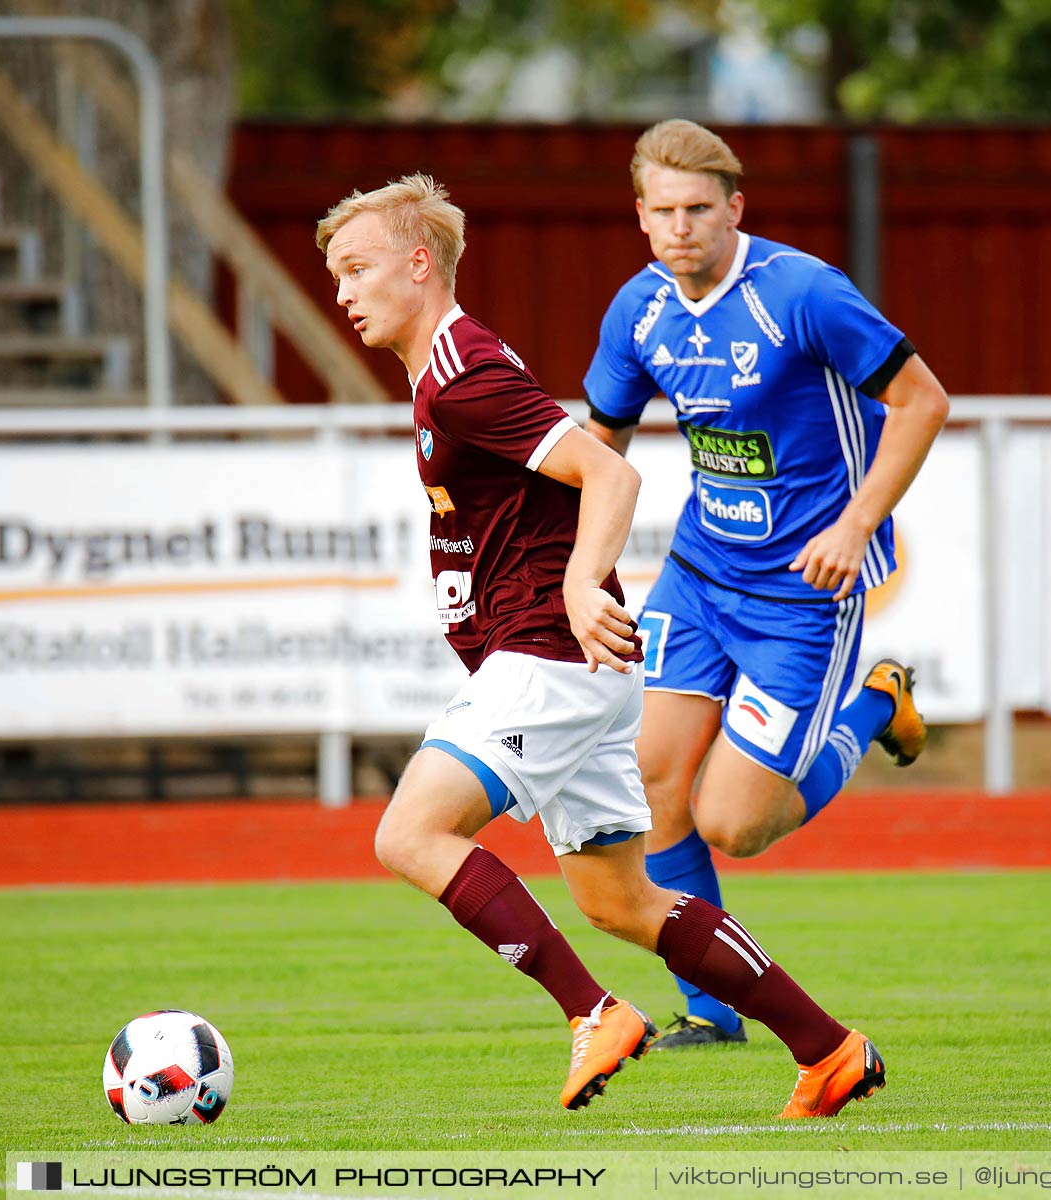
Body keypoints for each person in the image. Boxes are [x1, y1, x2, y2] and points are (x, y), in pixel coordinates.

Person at [316, 173, 885, 1118]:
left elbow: (610, 474)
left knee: (409, 833)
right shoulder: (447, 370)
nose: (343, 291)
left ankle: (593, 1012)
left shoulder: (463, 378)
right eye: (336, 273)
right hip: (576, 667)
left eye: (358, 267)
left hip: (548, 655)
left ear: (419, 265)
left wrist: (581, 586)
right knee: (621, 901)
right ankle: (830, 1052)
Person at [584, 120, 949, 1049]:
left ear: (734, 207)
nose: (681, 228)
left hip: (802, 593)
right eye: (662, 211)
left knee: (734, 824)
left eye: (699, 209)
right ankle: (712, 1009)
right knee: (652, 786)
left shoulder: (803, 293)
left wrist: (855, 523)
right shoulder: (637, 312)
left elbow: (924, 401)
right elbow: (604, 446)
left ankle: (875, 702)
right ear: (639, 215)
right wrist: (578, 568)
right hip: (701, 574)